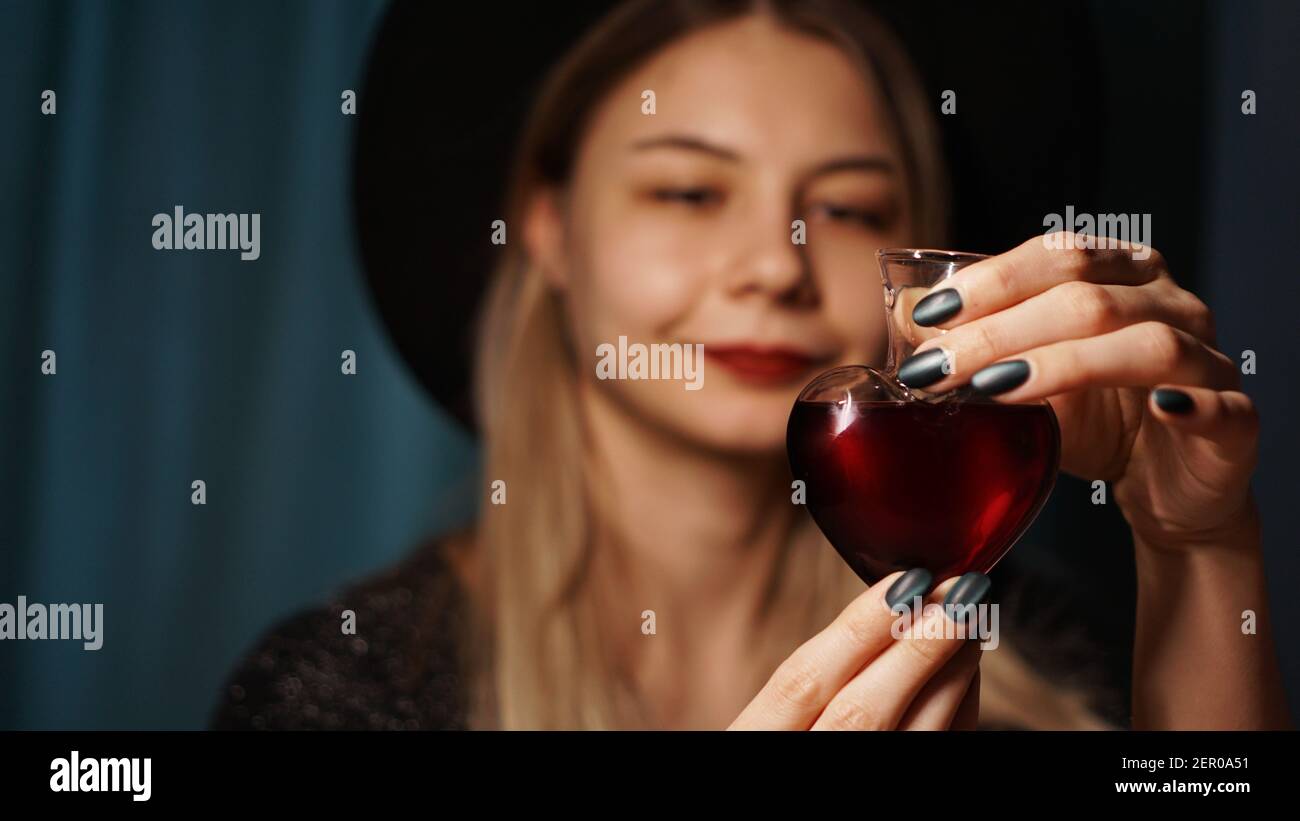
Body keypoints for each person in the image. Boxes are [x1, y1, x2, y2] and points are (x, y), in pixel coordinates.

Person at [212, 0, 1290, 731]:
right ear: (545, 230)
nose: (775, 266)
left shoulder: (1050, 656)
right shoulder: (342, 688)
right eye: (687, 190)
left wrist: (1195, 542)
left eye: (849, 207)